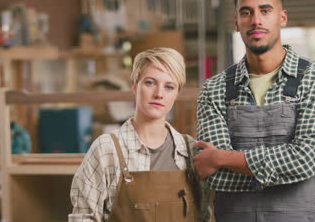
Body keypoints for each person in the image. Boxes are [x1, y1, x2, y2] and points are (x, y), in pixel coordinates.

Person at [194, 0, 315, 222]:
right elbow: (215, 177)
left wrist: (222, 158)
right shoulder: (214, 89)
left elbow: (307, 159)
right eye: (246, 12)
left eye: (265, 10)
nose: (256, 20)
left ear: (282, 17)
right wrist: (292, 168)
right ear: (236, 22)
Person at [69, 47, 211, 222]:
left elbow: (205, 215)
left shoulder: (190, 150)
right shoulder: (107, 150)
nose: (159, 94)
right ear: (135, 86)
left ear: (176, 94)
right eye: (150, 83)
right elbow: (83, 218)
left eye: (169, 87)